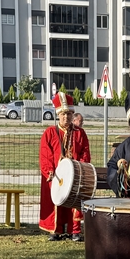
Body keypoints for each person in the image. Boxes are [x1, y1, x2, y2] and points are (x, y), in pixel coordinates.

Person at [39, 91, 91, 241]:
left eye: (69, 114)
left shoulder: (80, 133)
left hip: (75, 173)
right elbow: (45, 154)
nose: (66, 117)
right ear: (58, 115)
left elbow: (85, 152)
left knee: (74, 200)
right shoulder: (49, 132)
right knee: (57, 200)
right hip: (56, 174)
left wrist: (80, 167)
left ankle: (74, 231)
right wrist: (49, 170)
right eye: (63, 114)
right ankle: (56, 231)